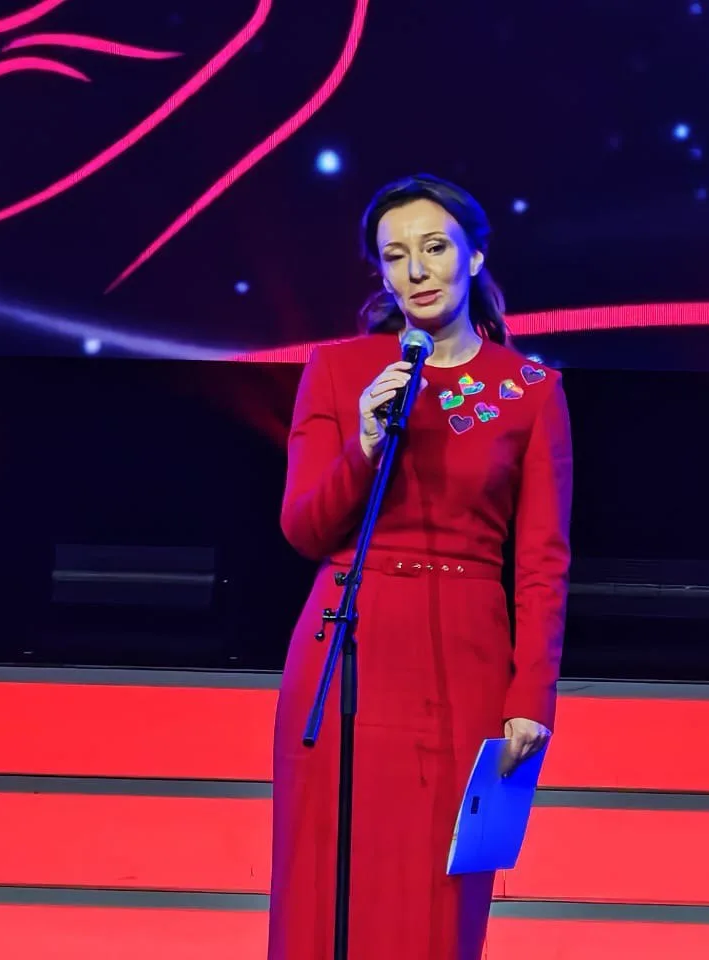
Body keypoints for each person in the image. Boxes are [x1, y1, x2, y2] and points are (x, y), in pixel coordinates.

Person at [268, 173, 573, 959]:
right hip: (347, 641)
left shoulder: (531, 391)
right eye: (395, 255)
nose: (416, 270)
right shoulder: (339, 370)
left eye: (435, 248)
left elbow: (542, 562)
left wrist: (531, 694)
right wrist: (365, 443)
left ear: (473, 257)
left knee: (437, 893)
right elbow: (304, 527)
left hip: (465, 653)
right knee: (324, 878)